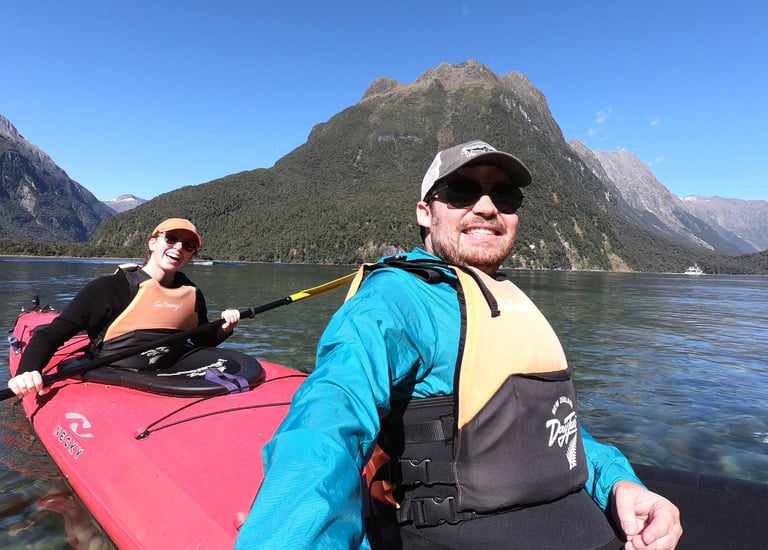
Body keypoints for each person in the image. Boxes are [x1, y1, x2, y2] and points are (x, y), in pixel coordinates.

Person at [234, 141, 682, 549]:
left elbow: (546, 427)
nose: (487, 208)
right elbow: (327, 421)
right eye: (463, 191)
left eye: (505, 197)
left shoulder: (506, 300)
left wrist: (619, 484)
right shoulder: (392, 302)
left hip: (584, 528)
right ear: (425, 213)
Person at [7, 218, 241, 398]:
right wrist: (27, 371)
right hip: (112, 375)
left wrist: (225, 328)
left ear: (191, 255)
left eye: (188, 245)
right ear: (152, 243)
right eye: (171, 239)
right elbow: (53, 334)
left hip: (166, 374)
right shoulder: (109, 288)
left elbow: (202, 340)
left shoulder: (191, 293)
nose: (179, 247)